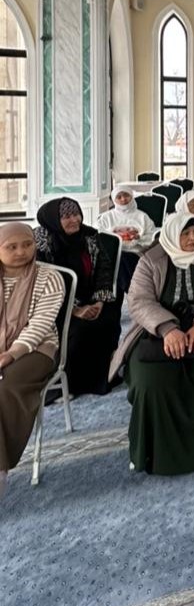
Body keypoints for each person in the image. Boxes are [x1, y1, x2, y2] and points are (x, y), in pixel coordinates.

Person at [109, 214, 194, 475]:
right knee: (150, 381)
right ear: (171, 234)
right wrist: (167, 329)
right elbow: (138, 301)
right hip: (157, 330)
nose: (193, 238)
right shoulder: (150, 260)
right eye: (185, 233)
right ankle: (155, 451)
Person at [0, 223, 65, 498]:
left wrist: (12, 353)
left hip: (37, 349)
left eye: (27, 244)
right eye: (11, 247)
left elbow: (40, 324)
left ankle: (1, 468)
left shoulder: (49, 277)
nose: (21, 252)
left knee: (6, 386)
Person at [34, 198, 121, 397]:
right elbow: (42, 284)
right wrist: (74, 309)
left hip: (89, 296)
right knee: (80, 329)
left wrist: (99, 301)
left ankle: (103, 374)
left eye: (76, 214)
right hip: (55, 303)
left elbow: (104, 269)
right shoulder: (40, 243)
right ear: (54, 220)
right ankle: (71, 383)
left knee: (109, 311)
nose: (74, 220)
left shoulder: (89, 236)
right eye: (66, 216)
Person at [96, 185, 156, 292]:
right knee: (120, 259)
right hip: (112, 254)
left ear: (131, 196)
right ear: (114, 200)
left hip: (136, 252)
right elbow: (99, 236)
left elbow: (152, 236)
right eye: (119, 197)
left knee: (122, 260)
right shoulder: (106, 217)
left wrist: (139, 238)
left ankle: (126, 290)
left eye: (126, 195)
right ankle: (132, 290)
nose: (123, 199)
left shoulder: (142, 216)